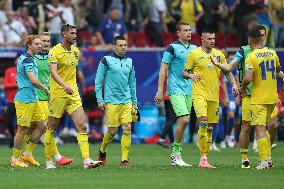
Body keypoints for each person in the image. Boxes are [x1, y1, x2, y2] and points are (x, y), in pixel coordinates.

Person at [211, 24, 278, 168]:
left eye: (264, 34)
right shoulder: (244, 51)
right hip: (249, 96)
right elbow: (230, 67)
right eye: (261, 34)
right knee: (247, 126)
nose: (263, 37)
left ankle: (266, 158)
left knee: (272, 126)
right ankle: (245, 157)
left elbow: (276, 71)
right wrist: (220, 65)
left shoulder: (270, 52)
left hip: (265, 95)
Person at [44, 24, 101, 169]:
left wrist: (77, 87)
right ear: (64, 35)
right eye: (72, 33)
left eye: (76, 33)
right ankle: (49, 161)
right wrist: (64, 85)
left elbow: (75, 71)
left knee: (82, 125)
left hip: (73, 93)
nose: (75, 36)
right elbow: (53, 72)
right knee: (51, 127)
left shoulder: (76, 52)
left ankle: (87, 160)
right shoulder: (54, 51)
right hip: (58, 93)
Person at [183, 29, 237, 168]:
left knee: (210, 128)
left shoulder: (219, 55)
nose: (212, 41)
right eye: (209, 39)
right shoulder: (194, 54)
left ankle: (205, 156)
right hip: (199, 94)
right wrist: (191, 76)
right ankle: (203, 158)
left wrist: (234, 84)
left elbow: (227, 72)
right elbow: (184, 72)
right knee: (204, 122)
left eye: (213, 38)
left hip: (214, 96)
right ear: (202, 39)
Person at [20, 32, 72, 168]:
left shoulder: (50, 56)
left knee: (33, 128)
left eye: (48, 41)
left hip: (47, 96)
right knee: (45, 127)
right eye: (43, 41)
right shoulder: (31, 58)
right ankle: (56, 157)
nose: (46, 43)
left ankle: (23, 154)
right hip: (35, 97)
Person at [154, 22, 197, 167]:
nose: (189, 32)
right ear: (178, 33)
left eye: (190, 30)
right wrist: (160, 90)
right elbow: (163, 69)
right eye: (185, 30)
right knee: (184, 120)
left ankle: (178, 156)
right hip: (175, 89)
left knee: (183, 123)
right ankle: (175, 154)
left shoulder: (194, 49)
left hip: (189, 90)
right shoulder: (172, 48)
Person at [240, 28, 281, 170]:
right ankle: (268, 160)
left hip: (259, 98)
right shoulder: (273, 53)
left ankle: (263, 162)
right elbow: (277, 71)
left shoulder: (251, 56)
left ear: (250, 40)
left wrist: (243, 87)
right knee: (268, 128)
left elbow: (248, 78)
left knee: (260, 129)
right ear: (261, 39)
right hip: (272, 97)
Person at [96, 35, 137, 167]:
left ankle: (124, 160)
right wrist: (100, 99)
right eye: (120, 45)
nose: (123, 47)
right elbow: (98, 80)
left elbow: (132, 84)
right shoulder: (106, 60)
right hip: (111, 101)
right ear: (114, 46)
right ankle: (102, 151)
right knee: (112, 132)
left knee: (127, 128)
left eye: (125, 45)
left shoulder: (130, 62)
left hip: (126, 101)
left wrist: (134, 103)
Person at [10, 35, 49, 168]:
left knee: (43, 126)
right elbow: (33, 80)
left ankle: (27, 154)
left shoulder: (27, 58)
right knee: (23, 129)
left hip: (33, 98)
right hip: (25, 99)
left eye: (40, 43)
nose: (40, 46)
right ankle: (14, 159)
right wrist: (46, 89)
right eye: (37, 44)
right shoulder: (27, 60)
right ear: (29, 46)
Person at [3, 57, 17, 148]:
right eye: (17, 59)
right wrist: (17, 85)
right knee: (8, 122)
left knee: (20, 124)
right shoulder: (9, 71)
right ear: (15, 61)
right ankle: (13, 136)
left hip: (22, 100)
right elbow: (6, 85)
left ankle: (17, 142)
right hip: (11, 101)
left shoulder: (26, 71)